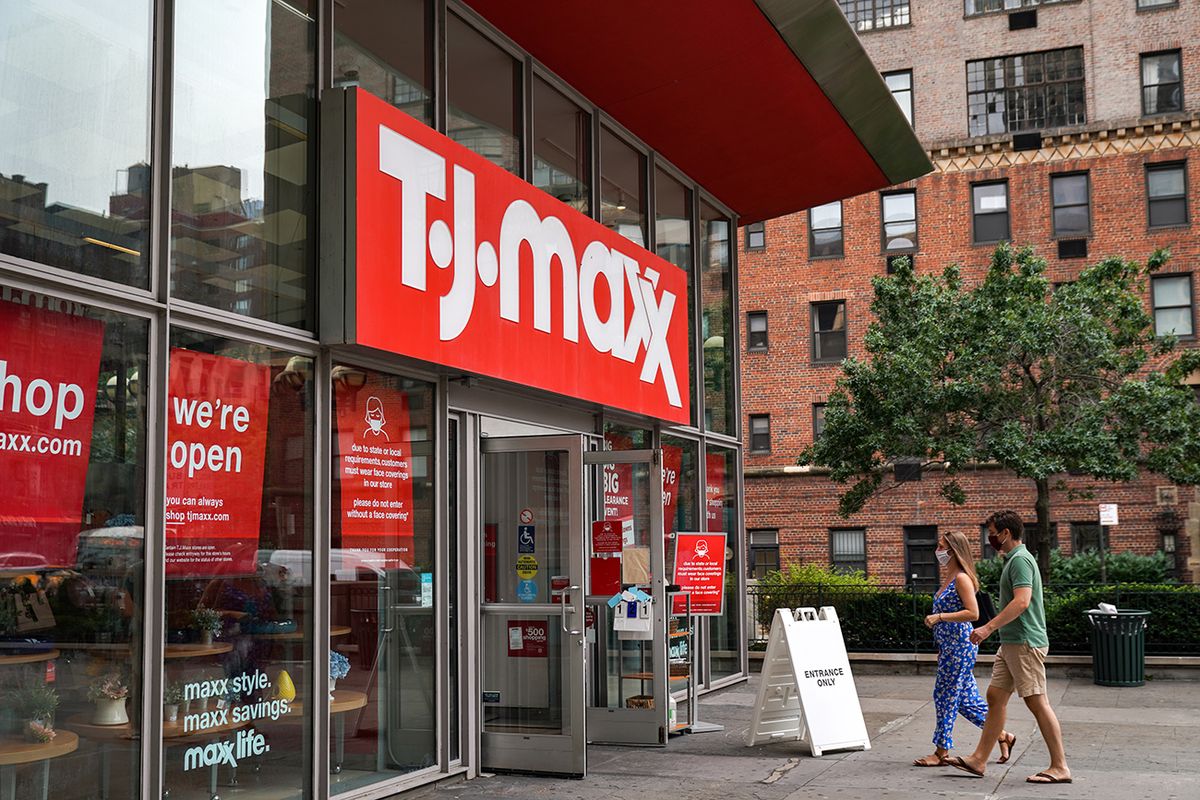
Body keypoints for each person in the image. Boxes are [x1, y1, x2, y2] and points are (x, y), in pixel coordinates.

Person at [948, 510, 1073, 784]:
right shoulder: (1015, 559)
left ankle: (1060, 767)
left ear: (1005, 533)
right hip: (1012, 642)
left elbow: (1022, 601)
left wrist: (987, 627)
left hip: (1025, 642)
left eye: (992, 532)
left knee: (1037, 702)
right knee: (995, 696)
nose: (990, 538)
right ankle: (979, 760)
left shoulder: (1020, 560)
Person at [912, 530, 1013, 768]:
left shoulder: (962, 579)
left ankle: (941, 752)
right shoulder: (949, 576)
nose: (938, 552)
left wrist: (939, 617)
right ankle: (1003, 735)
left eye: (941, 547)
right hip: (949, 647)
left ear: (953, 550)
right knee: (966, 701)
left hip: (960, 646)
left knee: (945, 696)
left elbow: (973, 613)